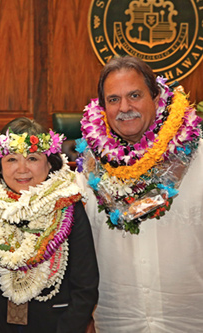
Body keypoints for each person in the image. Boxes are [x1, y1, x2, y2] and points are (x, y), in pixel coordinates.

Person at [76, 55, 203, 332]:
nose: (125, 108)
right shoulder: (87, 169)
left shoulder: (197, 154)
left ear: (156, 97)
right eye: (113, 99)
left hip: (190, 318)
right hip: (118, 318)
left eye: (134, 95)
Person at [0, 117, 99, 332]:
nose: (22, 169)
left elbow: (85, 286)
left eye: (33, 158)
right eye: (11, 159)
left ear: (49, 163)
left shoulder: (69, 206)